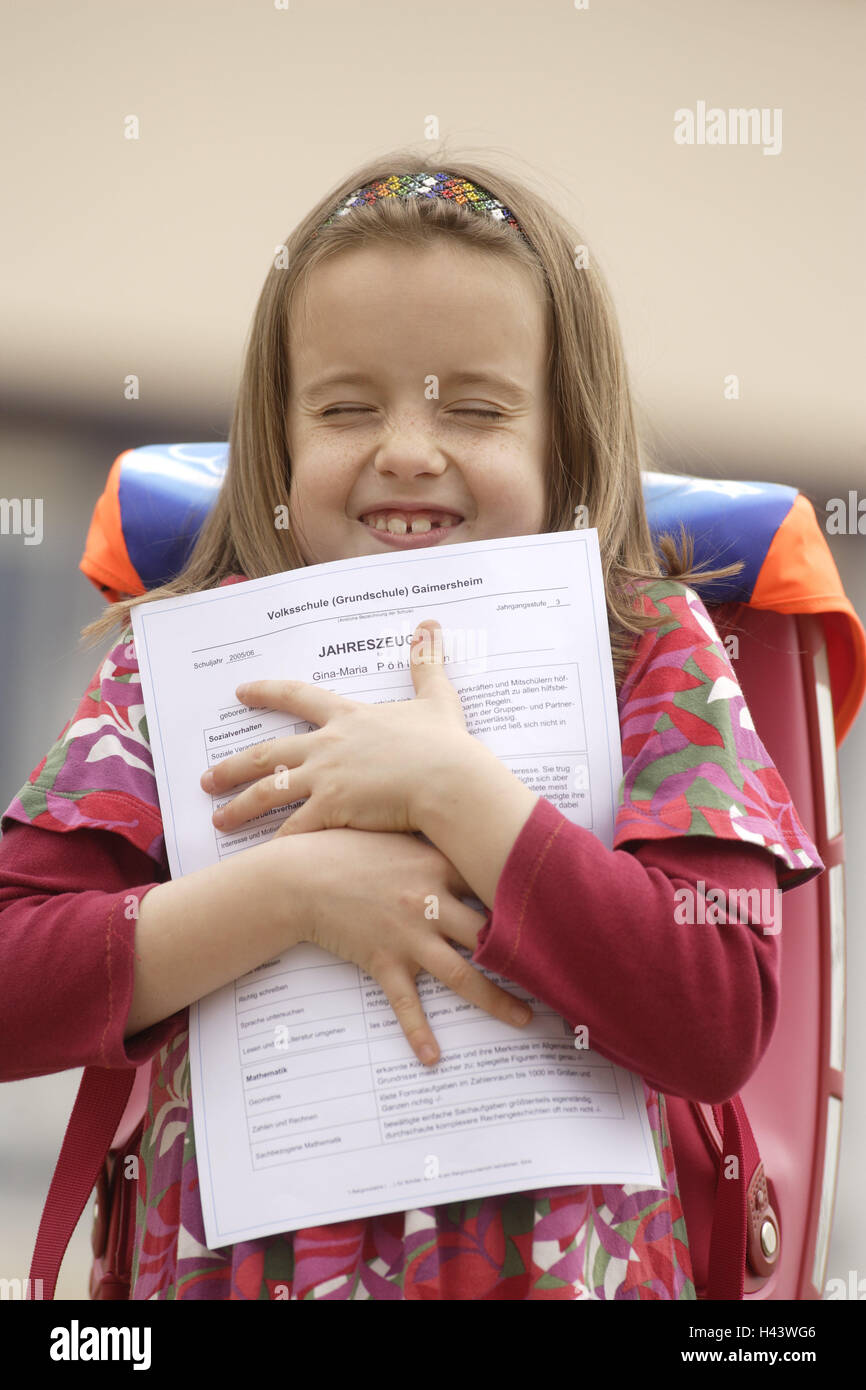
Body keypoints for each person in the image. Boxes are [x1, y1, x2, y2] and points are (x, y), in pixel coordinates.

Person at [0, 156, 824, 1300]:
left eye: (474, 409)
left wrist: (456, 796)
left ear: (561, 440)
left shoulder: (649, 648)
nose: (405, 449)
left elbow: (714, 1013)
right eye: (346, 407)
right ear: (277, 436)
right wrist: (288, 895)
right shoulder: (181, 661)